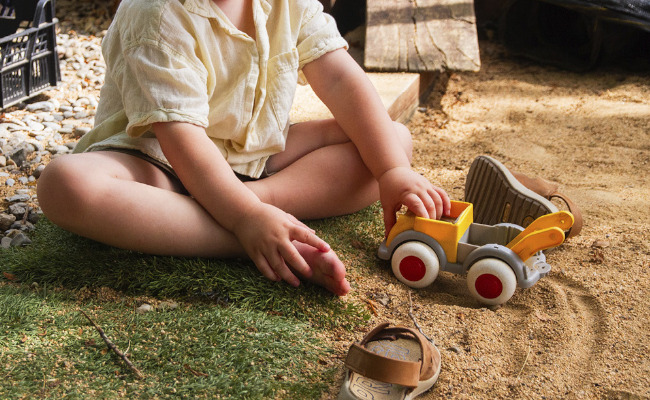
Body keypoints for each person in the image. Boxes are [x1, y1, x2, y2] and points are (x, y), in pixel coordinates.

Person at [37, 0, 450, 296]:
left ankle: (256, 210)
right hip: (157, 161)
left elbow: (340, 79)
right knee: (66, 183)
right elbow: (180, 136)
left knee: (392, 140)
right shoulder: (155, 12)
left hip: (255, 160)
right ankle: (248, 234)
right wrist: (245, 218)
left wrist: (393, 170)